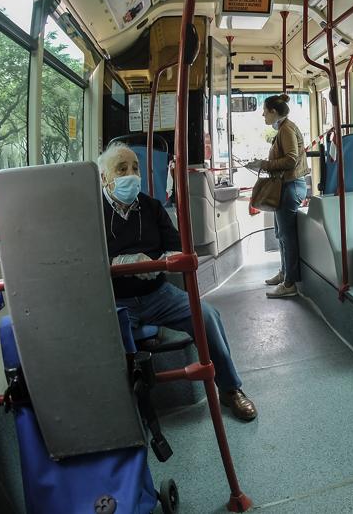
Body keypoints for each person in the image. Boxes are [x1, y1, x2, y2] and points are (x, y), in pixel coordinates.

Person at [98, 141, 257, 422]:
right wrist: (118, 264)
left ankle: (230, 389)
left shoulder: (152, 207)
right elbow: (85, 258)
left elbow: (177, 247)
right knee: (105, 341)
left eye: (135, 168)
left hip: (158, 293)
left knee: (207, 316)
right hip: (116, 300)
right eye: (121, 169)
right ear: (104, 177)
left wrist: (158, 263)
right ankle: (123, 408)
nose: (131, 175)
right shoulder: (93, 214)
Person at [252, 94, 309, 298]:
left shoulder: (286, 129)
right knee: (281, 234)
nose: (263, 114)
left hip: (291, 186)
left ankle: (290, 283)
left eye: (265, 111)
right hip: (285, 186)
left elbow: (291, 160)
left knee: (287, 237)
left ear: (274, 112)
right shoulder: (283, 129)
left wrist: (264, 165)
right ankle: (285, 272)